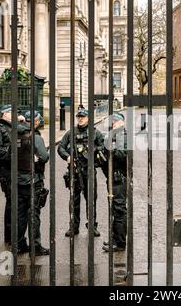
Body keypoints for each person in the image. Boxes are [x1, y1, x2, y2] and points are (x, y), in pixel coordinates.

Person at [58, 108, 105, 237]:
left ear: (88, 118)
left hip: (89, 171)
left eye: (83, 116)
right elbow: (60, 147)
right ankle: (73, 226)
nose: (80, 118)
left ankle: (92, 226)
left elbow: (103, 147)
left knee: (91, 200)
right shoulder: (71, 133)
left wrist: (92, 150)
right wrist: (67, 157)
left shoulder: (95, 133)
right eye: (78, 116)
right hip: (74, 171)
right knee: (74, 200)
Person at [0, 104, 22, 245]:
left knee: (18, 203)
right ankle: (9, 237)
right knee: (12, 202)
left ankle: (17, 236)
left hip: (17, 170)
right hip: (6, 171)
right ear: (5, 114)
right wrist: (16, 150)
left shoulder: (14, 127)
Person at [22, 111, 50, 256]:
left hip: (19, 179)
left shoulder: (16, 134)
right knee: (33, 213)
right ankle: (35, 246)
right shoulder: (36, 137)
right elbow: (44, 157)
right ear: (37, 122)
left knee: (19, 212)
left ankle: (19, 244)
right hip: (34, 179)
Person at [101, 112, 127, 252]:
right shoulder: (115, 135)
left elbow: (122, 155)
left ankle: (120, 242)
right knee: (115, 209)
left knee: (119, 209)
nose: (112, 124)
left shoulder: (122, 135)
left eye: (114, 121)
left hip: (119, 178)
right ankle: (115, 237)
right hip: (113, 177)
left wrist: (109, 148)